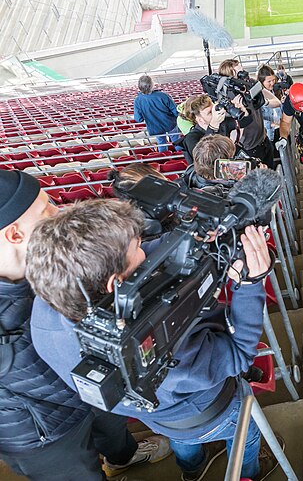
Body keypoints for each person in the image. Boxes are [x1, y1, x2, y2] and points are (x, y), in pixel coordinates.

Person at [28, 199, 279, 481]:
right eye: (137, 249)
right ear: (117, 284)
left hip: (161, 418)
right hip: (208, 411)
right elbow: (238, 355)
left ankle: (193, 469)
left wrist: (192, 239)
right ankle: (249, 472)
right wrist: (250, 284)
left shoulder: (44, 314)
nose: (145, 251)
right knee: (246, 434)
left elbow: (141, 256)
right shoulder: (159, 349)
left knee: (184, 443)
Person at [0, 170, 170, 481]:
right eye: (47, 208)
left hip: (89, 388)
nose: (58, 212)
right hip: (44, 433)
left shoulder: (50, 260)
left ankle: (123, 457)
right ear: (14, 234)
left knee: (112, 426)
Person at [216, 60, 275, 169]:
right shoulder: (227, 101)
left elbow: (276, 102)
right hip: (249, 150)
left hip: (264, 141)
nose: (244, 75)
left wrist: (263, 101)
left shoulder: (250, 85)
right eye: (239, 73)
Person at [133, 75, 182, 152]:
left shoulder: (138, 100)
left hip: (155, 127)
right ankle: (183, 156)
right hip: (170, 123)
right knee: (177, 140)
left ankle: (164, 158)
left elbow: (138, 119)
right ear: (151, 85)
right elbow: (175, 111)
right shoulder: (162, 95)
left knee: (161, 143)